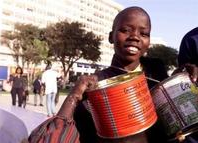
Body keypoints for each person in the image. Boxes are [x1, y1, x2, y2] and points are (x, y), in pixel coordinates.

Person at [29, 6, 198, 143]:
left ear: (148, 42)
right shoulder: (94, 85)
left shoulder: (157, 76)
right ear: (111, 37)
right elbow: (52, 138)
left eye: (143, 33)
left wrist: (183, 83)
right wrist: (74, 96)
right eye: (125, 30)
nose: (134, 37)